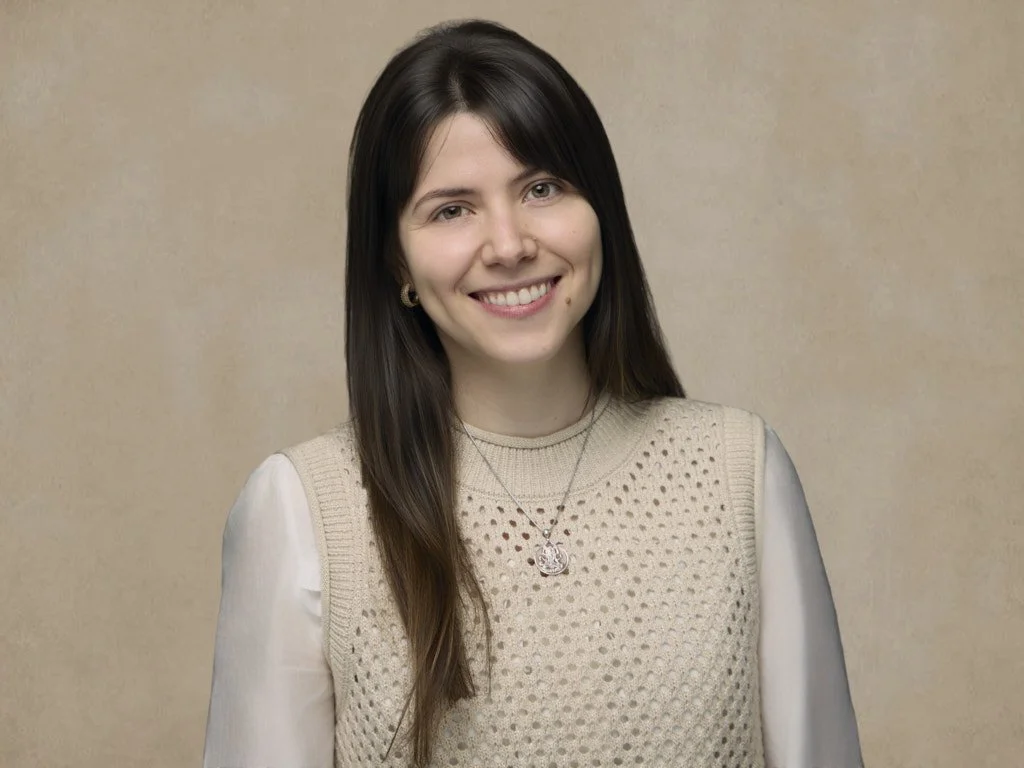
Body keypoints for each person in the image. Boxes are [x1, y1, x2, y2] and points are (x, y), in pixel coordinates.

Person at [202, 19, 863, 768]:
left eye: (542, 188)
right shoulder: (301, 510)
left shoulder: (739, 471)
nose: (511, 243)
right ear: (397, 262)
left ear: (600, 211)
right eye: (452, 209)